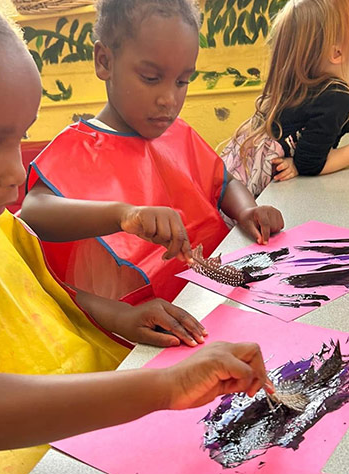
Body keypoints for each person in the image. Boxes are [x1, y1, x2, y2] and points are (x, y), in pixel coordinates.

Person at [0, 0, 274, 474]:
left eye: (17, 139)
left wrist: (116, 317)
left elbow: (35, 292)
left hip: (71, 457)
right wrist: (161, 389)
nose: (16, 173)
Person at [20, 0, 284, 304]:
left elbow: (225, 183)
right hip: (137, 319)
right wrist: (124, 215)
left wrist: (247, 211)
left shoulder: (179, 134)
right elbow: (33, 212)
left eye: (182, 81)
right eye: (150, 78)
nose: (168, 99)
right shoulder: (77, 145)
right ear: (104, 61)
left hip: (211, 298)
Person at [222, 0, 349, 198]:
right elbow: (311, 163)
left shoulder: (327, 85)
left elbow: (308, 157)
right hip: (255, 195)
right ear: (336, 52)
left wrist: (298, 164)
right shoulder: (336, 96)